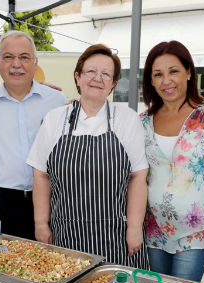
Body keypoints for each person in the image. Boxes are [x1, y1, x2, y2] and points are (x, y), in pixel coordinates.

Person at [27, 44, 149, 268]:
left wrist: (133, 228)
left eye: (106, 74)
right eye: (91, 71)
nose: (97, 78)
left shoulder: (126, 119)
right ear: (78, 77)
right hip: (66, 236)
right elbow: (40, 175)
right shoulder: (56, 119)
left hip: (116, 238)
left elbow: (138, 177)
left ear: (113, 84)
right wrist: (41, 223)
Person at [140, 41, 204, 282]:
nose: (166, 81)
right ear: (150, 80)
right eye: (158, 74)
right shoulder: (142, 121)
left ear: (189, 72)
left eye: (174, 71)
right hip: (153, 229)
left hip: (197, 232)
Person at [0, 31, 67, 239]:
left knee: (49, 267)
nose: (16, 64)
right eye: (8, 57)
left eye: (24, 57)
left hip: (50, 202)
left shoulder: (58, 102)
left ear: (35, 62)